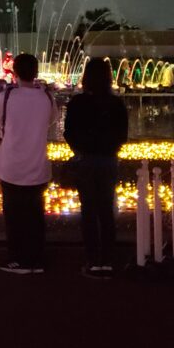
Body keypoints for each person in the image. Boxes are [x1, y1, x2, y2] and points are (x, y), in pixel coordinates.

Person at [0, 53, 58, 274]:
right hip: (37, 166)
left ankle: (18, 259)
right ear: (36, 73)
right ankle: (36, 258)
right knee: (35, 215)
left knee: (14, 217)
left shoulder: (6, 97)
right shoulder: (47, 98)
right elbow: (52, 120)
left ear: (14, 73)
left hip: (11, 166)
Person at [64, 58, 128, 278]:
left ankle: (92, 260)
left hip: (85, 161)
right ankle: (108, 260)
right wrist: (111, 149)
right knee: (106, 210)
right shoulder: (116, 103)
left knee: (89, 211)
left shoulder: (77, 103)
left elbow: (69, 132)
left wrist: (79, 150)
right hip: (108, 161)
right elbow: (122, 135)